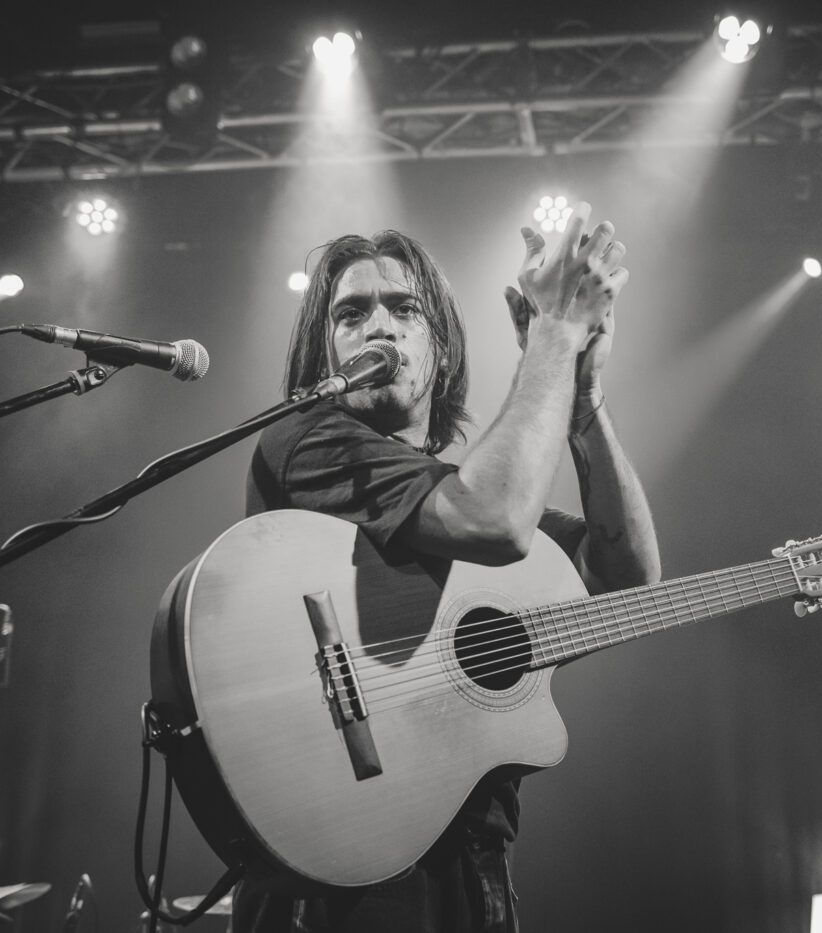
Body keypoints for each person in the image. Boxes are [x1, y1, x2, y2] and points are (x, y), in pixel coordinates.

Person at [237, 203, 661, 933]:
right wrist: (554, 337)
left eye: (404, 308)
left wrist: (584, 398)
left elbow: (624, 578)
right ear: (324, 354)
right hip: (331, 879)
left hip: (466, 868)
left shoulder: (449, 492)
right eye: (352, 313)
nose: (379, 325)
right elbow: (492, 517)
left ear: (441, 347)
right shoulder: (304, 443)